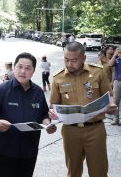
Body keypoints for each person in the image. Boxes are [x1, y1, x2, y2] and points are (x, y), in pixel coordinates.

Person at [49, 42, 117, 177]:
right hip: (70, 132)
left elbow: (110, 97)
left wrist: (112, 106)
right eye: (66, 60)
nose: (69, 64)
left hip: (95, 130)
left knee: (99, 172)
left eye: (74, 60)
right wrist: (52, 113)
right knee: (73, 172)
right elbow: (53, 105)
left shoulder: (98, 72)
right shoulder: (58, 77)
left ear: (84, 58)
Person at [0, 52, 57, 177]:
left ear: (33, 71)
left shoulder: (38, 92)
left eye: (28, 68)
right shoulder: (1, 89)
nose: (23, 71)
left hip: (30, 150)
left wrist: (47, 125)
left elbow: (44, 114)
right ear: (14, 68)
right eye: (19, 66)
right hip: (5, 150)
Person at [109, 47, 121, 125]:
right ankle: (116, 118)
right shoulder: (116, 60)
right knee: (116, 101)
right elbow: (110, 64)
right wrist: (115, 55)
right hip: (118, 82)